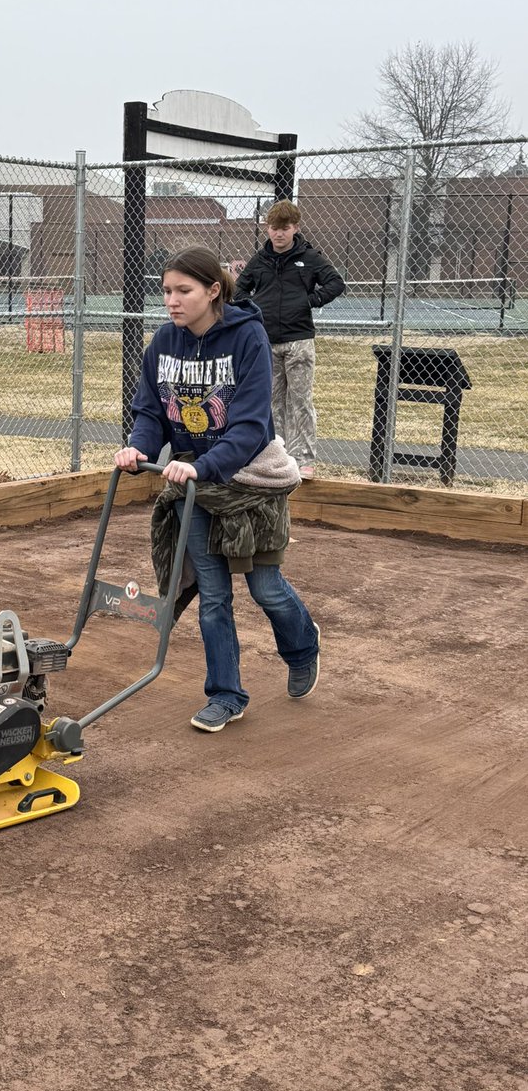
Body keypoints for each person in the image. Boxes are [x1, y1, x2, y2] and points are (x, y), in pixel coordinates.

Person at [114, 245, 320, 732]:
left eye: (182, 291)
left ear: (212, 290)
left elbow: (250, 426)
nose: (171, 301)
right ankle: (227, 696)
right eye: (165, 291)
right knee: (213, 595)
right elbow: (150, 412)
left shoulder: (249, 339)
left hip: (249, 480)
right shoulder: (164, 342)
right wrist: (138, 451)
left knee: (265, 588)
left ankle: (302, 643)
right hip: (198, 486)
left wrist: (204, 465)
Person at [233, 200, 345, 480]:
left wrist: (309, 301)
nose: (278, 234)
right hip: (266, 341)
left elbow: (335, 283)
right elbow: (239, 291)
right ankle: (276, 458)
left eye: (284, 228)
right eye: (273, 228)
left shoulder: (309, 257)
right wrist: (256, 307)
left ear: (295, 228)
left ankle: (304, 459)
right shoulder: (260, 260)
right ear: (267, 229)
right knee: (271, 401)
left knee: (300, 400)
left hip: (299, 341)